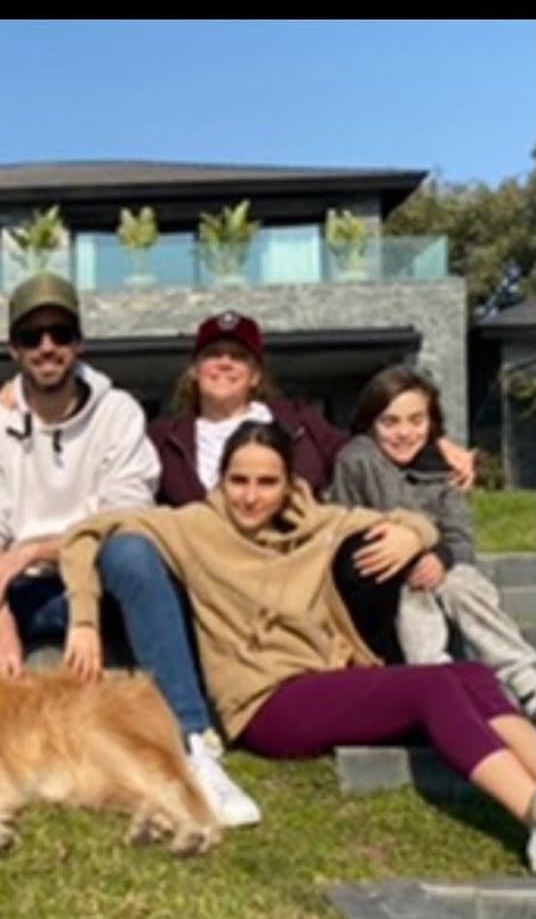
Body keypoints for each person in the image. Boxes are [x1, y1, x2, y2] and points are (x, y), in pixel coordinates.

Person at [60, 420, 536, 867]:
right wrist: (84, 619)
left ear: (289, 483)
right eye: (238, 480)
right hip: (264, 705)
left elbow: (414, 520)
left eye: (266, 483)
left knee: (470, 674)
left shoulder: (318, 523)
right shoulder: (193, 527)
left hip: (324, 682)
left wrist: (412, 536)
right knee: (431, 686)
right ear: (220, 480)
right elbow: (86, 535)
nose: (250, 497)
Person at [0, 271, 261, 827]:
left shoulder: (119, 414)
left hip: (90, 588)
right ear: (14, 349)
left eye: (60, 333)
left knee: (133, 550)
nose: (47, 347)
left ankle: (190, 740)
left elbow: (121, 516)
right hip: (15, 590)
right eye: (32, 337)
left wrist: (32, 548)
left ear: (79, 342)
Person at [146, 309, 478, 664]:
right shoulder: (162, 439)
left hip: (304, 562)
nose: (225, 364)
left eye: (238, 356)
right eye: (213, 355)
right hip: (217, 572)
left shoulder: (297, 422)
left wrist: (436, 445)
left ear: (256, 374)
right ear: (195, 370)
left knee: (369, 554)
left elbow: (368, 447)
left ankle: (383, 668)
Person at [331, 365, 536, 718]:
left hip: (443, 574)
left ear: (431, 423)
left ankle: (524, 679)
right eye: (390, 422)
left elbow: (461, 538)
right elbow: (345, 524)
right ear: (370, 423)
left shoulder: (444, 468)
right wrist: (414, 549)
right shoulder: (358, 459)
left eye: (416, 420)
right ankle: (437, 679)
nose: (404, 432)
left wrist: (441, 556)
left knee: (461, 583)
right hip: (379, 585)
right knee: (416, 583)